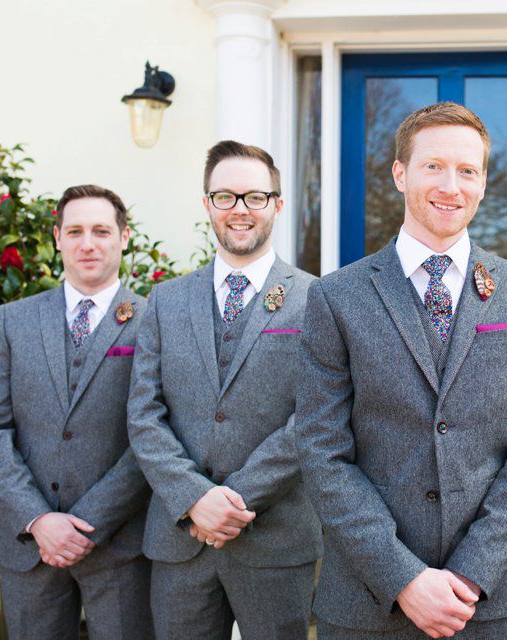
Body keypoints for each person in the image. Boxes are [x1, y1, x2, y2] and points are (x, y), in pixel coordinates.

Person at [295, 102, 507, 639]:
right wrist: (402, 577)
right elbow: (323, 449)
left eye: (467, 171)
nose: (451, 186)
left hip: (495, 596)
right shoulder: (335, 297)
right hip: (369, 599)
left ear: (483, 183)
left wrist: (471, 572)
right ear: (400, 173)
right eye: (433, 166)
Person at [127, 141, 321, 639]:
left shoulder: (317, 299)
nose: (240, 209)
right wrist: (195, 498)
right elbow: (144, 415)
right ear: (207, 203)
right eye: (225, 196)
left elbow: (316, 415)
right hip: (180, 540)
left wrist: (233, 501)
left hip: (276, 541)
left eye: (255, 197)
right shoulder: (165, 301)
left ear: (277, 204)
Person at [0, 185, 152, 639]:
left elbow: (155, 432)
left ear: (124, 237)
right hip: (29, 543)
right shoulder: (13, 321)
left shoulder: (154, 320)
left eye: (101, 231)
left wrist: (87, 523)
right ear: (57, 238)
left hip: (121, 544)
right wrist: (39, 519)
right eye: (75, 231)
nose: (87, 243)